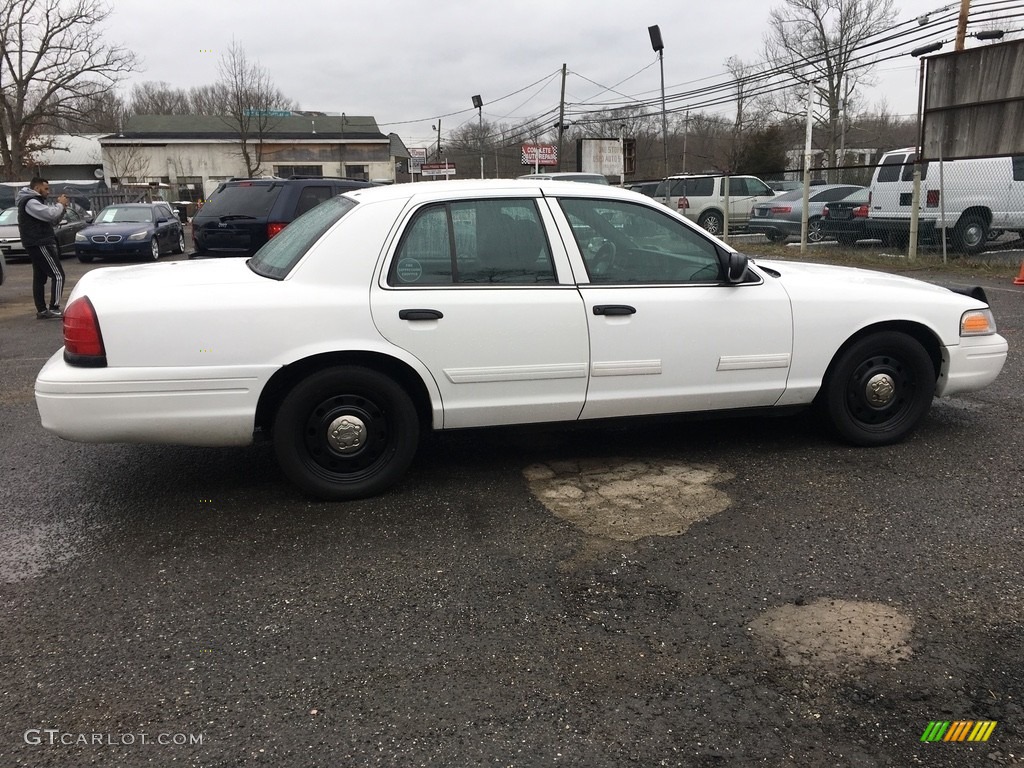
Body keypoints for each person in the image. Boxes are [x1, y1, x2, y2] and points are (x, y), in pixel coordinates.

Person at [17, 177, 70, 319]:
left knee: (40, 277)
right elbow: (50, 214)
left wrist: (63, 208)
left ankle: (41, 310)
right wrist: (60, 204)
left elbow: (53, 220)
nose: (48, 192)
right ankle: (54, 308)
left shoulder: (33, 202)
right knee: (58, 275)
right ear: (36, 188)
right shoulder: (30, 201)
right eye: (45, 188)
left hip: (36, 242)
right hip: (39, 242)